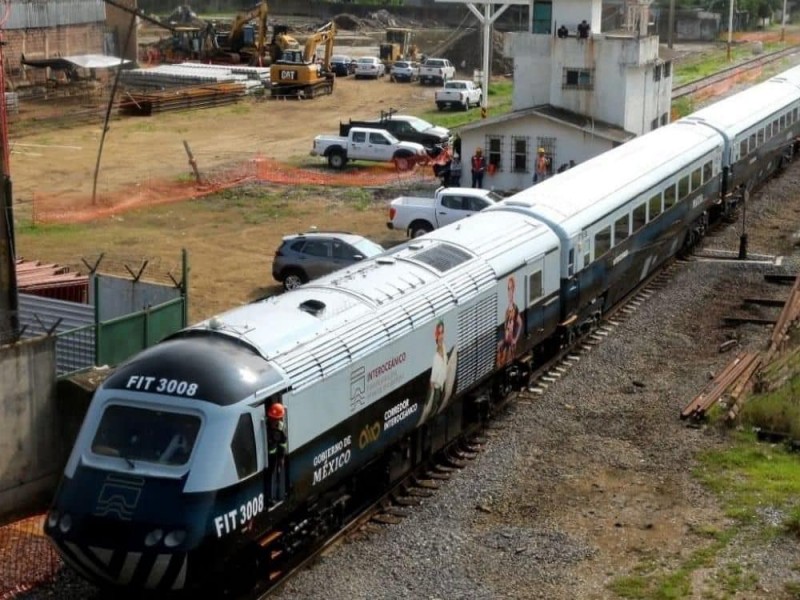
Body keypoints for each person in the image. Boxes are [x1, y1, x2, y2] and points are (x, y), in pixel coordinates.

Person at [496, 276, 523, 367]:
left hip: (510, 345)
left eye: (511, 288)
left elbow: (520, 323)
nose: (509, 291)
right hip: (505, 344)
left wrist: (515, 339)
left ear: (514, 290)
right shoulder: (507, 310)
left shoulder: (514, 308)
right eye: (508, 289)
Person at [267, 402, 287, 501]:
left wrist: (281, 457)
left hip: (274, 456)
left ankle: (273, 496)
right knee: (269, 475)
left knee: (273, 475)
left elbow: (283, 442)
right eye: (272, 418)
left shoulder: (281, 428)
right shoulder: (265, 426)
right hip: (266, 457)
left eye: (276, 419)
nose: (273, 421)